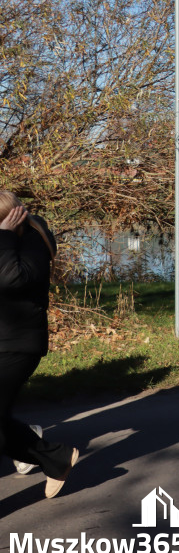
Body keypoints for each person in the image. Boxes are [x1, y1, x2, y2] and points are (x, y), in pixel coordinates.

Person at [0, 192, 80, 498]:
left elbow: (12, 279)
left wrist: (5, 236)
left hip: (16, 346)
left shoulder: (32, 243)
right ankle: (55, 458)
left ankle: (54, 457)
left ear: (11, 220)